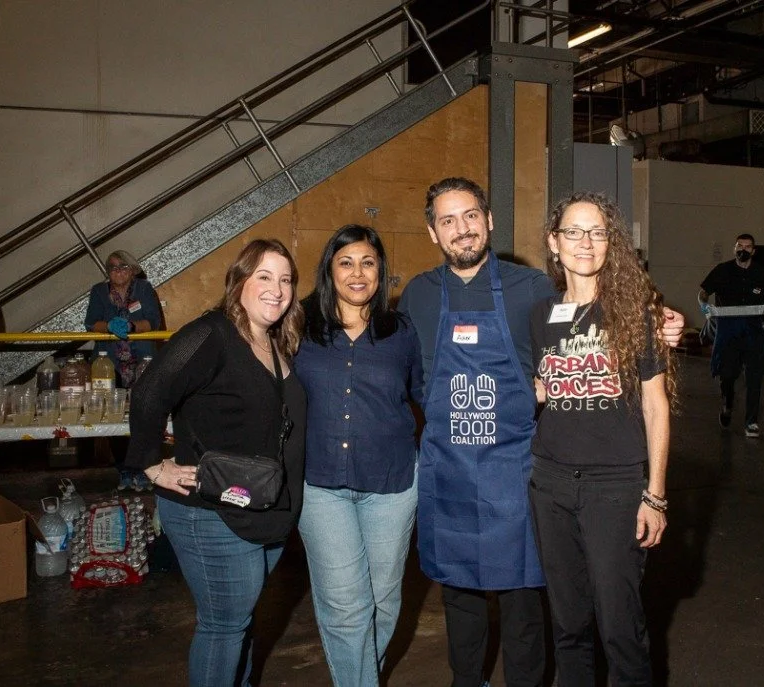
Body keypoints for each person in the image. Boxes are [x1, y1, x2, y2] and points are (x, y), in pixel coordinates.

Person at [398, 177, 684, 687]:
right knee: (477, 597)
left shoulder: (531, 290)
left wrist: (663, 323)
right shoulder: (418, 295)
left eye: (470, 217)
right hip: (460, 468)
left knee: (532, 599)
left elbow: (606, 318)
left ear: (489, 221)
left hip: (522, 468)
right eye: (448, 221)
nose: (461, 230)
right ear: (433, 232)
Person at [124, 239, 306, 687]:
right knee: (224, 626)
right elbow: (149, 393)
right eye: (263, 276)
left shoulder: (274, 342)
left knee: (239, 623)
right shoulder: (213, 334)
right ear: (238, 281)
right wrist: (151, 465)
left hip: (260, 509)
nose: (276, 289)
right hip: (211, 512)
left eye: (285, 280)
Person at [528, 191, 676, 687]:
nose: (585, 241)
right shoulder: (538, 315)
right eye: (573, 231)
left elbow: (656, 406)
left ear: (611, 243)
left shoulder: (636, 313)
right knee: (568, 626)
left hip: (614, 487)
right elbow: (537, 386)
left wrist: (654, 494)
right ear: (554, 242)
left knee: (620, 628)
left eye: (597, 231)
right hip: (549, 484)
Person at [293, 225, 423, 686]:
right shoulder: (299, 326)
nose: (357, 272)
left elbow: (429, 392)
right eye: (346, 262)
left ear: (380, 271)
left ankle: (361, 675)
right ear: (330, 269)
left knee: (384, 601)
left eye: (368, 262)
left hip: (391, 483)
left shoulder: (402, 332)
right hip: (320, 484)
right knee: (347, 607)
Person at [84, 249, 163, 490]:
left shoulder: (144, 289)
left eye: (122, 266)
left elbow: (154, 321)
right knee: (114, 416)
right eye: (112, 267)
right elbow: (90, 323)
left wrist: (131, 325)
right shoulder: (99, 291)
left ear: (133, 269)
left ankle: (143, 468)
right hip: (110, 364)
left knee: (144, 416)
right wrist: (108, 325)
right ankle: (124, 469)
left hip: (142, 362)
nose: (117, 271)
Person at [699, 233, 764, 438]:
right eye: (739, 246)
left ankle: (751, 422)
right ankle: (727, 403)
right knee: (727, 375)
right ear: (734, 248)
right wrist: (703, 303)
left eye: (747, 246)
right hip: (728, 330)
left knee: (755, 377)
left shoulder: (762, 273)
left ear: (754, 250)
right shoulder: (722, 270)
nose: (743, 249)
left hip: (753, 331)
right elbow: (704, 291)